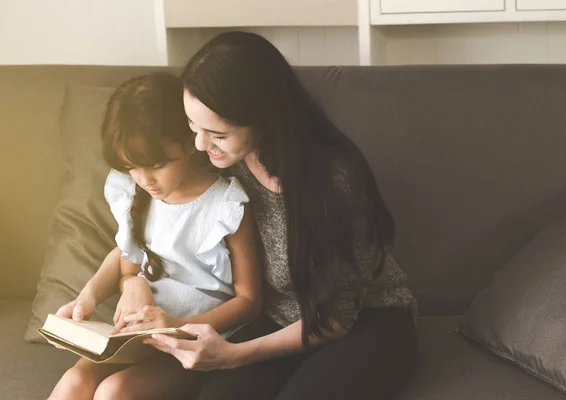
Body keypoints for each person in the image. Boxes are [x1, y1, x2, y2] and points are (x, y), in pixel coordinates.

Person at [144, 31, 418, 400]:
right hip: (280, 318)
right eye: (194, 128)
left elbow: (336, 318)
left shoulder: (333, 181)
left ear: (263, 117)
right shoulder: (223, 166)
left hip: (367, 320)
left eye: (217, 134)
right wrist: (132, 282)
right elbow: (151, 208)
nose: (200, 145)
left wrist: (233, 355)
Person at [48, 72, 263, 400]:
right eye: (131, 167)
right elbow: (126, 255)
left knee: (113, 392)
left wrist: (177, 325)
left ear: (190, 140)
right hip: (138, 332)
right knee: (74, 382)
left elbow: (250, 301)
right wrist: (92, 295)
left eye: (157, 165)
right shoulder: (133, 191)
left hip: (191, 339)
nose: (144, 179)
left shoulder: (227, 205)